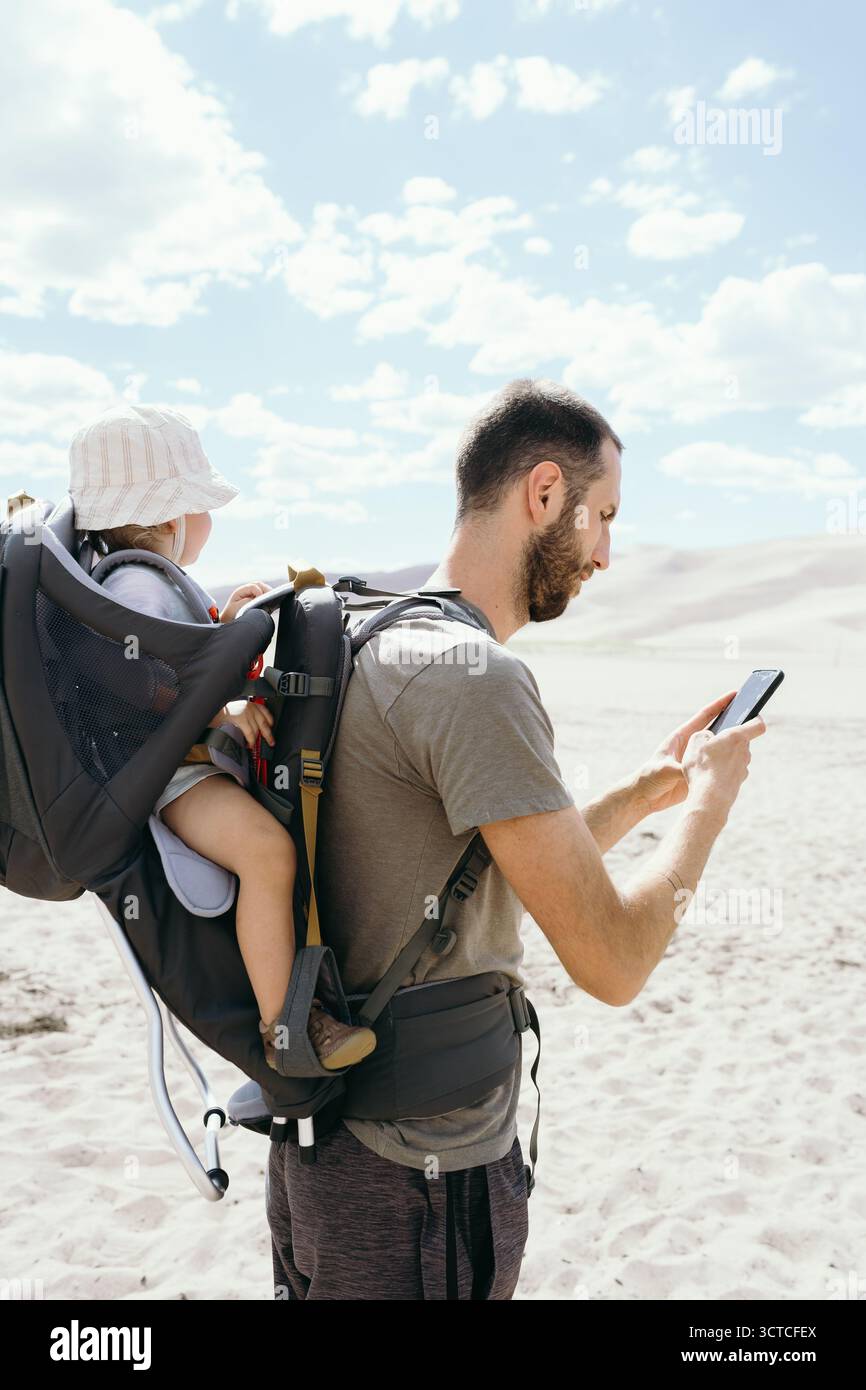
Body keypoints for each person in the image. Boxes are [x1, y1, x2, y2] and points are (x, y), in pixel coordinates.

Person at [266, 377, 766, 1301]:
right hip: (421, 1184)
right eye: (602, 516)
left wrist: (650, 792)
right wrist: (710, 806)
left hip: (325, 1158)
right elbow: (612, 962)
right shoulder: (478, 681)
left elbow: (476, 864)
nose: (607, 553)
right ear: (544, 494)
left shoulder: (370, 635)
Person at [68, 403, 377, 1074]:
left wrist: (225, 628)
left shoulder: (140, 584)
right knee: (268, 854)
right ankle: (288, 1030)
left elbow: (169, 662)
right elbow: (129, 686)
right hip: (168, 777)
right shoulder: (134, 587)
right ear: (169, 516)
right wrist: (216, 715)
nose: (210, 520)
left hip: (176, 761)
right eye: (202, 506)